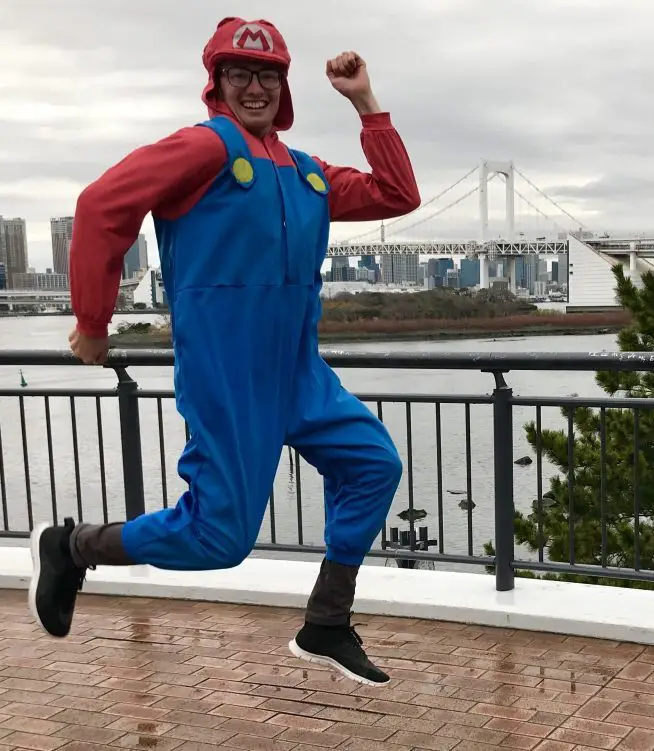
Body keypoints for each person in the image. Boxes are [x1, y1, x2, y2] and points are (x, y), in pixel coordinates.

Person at [27, 17, 420, 687]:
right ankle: (72, 546)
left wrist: (365, 102)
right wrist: (94, 321)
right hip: (228, 376)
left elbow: (397, 194)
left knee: (374, 465)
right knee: (219, 539)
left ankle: (326, 622)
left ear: (284, 86)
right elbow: (100, 208)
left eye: (268, 75)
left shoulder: (306, 175)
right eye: (240, 73)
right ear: (217, 83)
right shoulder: (203, 149)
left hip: (299, 373)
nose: (255, 87)